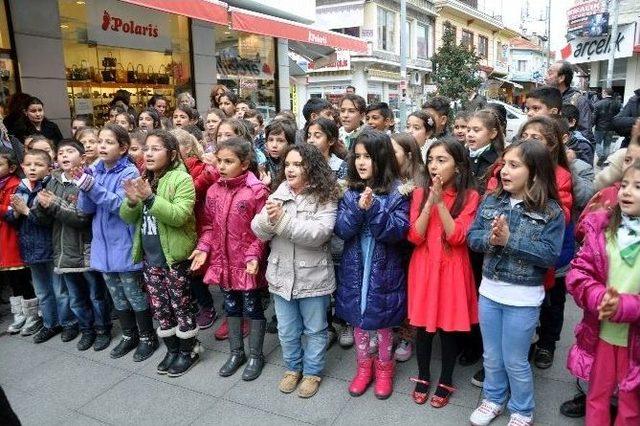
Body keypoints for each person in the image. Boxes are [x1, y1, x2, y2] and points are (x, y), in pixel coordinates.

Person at [468, 139, 565, 426]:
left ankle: (522, 409)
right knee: (492, 356)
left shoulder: (551, 211)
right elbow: (473, 237)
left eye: (514, 166)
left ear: (535, 172)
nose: (503, 172)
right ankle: (493, 399)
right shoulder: (491, 200)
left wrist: (510, 241)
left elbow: (549, 256)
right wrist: (491, 239)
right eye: (503, 165)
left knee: (515, 360)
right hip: (489, 292)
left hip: (523, 299)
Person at [251, 143, 338, 399]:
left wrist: (282, 221)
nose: (290, 169)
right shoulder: (278, 193)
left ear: (311, 166)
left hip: (314, 277)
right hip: (280, 276)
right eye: (288, 164)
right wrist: (270, 219)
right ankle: (292, 368)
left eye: (298, 164)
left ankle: (312, 372)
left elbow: (319, 234)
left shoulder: (325, 195)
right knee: (287, 330)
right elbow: (258, 229)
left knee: (315, 330)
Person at [335, 130, 410, 400]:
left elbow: (395, 232)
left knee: (382, 320)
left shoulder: (399, 192)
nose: (361, 162)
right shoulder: (347, 191)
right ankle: (363, 367)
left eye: (368, 156)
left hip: (384, 270)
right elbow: (341, 230)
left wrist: (374, 209)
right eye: (357, 156)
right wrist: (357, 208)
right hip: (356, 266)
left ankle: (384, 369)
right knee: (358, 318)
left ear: (382, 158)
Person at [120, 129, 199, 376]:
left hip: (174, 259)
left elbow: (179, 216)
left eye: (156, 149)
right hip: (150, 258)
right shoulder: (144, 177)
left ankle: (189, 349)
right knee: (161, 307)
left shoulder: (181, 179)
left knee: (181, 306)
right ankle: (172, 349)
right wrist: (132, 201)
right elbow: (128, 217)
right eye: (147, 149)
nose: (149, 153)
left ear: (172, 153)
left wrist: (151, 198)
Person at [566, 161, 640, 426]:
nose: (627, 192)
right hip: (602, 335)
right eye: (625, 184)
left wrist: (624, 307)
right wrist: (597, 297)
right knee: (596, 397)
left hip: (635, 342)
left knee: (631, 406)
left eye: (638, 186)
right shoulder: (602, 228)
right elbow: (579, 273)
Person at [75, 123, 156, 362]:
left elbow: (121, 208)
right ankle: (129, 335)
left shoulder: (128, 172)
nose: (102, 146)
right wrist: (84, 186)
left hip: (123, 242)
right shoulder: (94, 170)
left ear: (122, 148)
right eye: (100, 141)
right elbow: (85, 208)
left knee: (133, 293)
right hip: (103, 245)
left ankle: (146, 336)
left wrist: (93, 188)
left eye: (109, 142)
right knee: (117, 295)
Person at [408, 138, 479, 408]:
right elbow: (414, 236)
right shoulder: (418, 193)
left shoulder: (470, 197)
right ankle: (424, 375)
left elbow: (458, 236)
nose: (434, 166)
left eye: (442, 160)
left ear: (458, 166)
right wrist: (429, 202)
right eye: (431, 160)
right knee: (422, 329)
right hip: (424, 267)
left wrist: (439, 203)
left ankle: (446, 377)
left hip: (452, 269)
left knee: (448, 328)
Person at [190, 137, 269, 380]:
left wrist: (254, 254)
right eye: (219, 161)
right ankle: (236, 353)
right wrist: (204, 247)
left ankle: (256, 354)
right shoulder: (213, 190)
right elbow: (209, 226)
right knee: (231, 306)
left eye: (228, 161)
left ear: (244, 164)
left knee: (253, 307)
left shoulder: (257, 192)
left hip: (247, 263)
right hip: (223, 262)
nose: (222, 166)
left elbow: (263, 230)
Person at [34, 139, 112, 349]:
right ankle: (86, 330)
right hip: (63, 253)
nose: (64, 155)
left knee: (96, 295)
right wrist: (41, 207)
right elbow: (44, 219)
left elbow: (82, 217)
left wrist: (53, 204)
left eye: (70, 151)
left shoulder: (87, 180)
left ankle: (102, 329)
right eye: (61, 153)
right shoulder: (52, 181)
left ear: (83, 157)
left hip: (85, 250)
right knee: (76, 298)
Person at [7, 149, 54, 337]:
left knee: (58, 290)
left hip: (48, 247)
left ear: (49, 169)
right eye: (28, 165)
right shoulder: (21, 187)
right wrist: (15, 212)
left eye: (38, 165)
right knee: (42, 291)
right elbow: (12, 216)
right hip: (30, 248)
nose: (32, 168)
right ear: (22, 167)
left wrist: (25, 210)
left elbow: (46, 220)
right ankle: (49, 322)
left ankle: (65, 322)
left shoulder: (48, 187)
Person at [0, 148, 36, 335]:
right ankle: (19, 314)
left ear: (12, 167)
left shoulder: (14, 185)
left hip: (12, 238)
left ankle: (31, 315)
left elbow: (11, 212)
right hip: (2, 240)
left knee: (21, 278)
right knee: (12, 281)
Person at [545, 61, 593, 141]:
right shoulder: (545, 98)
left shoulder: (579, 101)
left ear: (561, 78)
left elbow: (586, 133)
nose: (545, 77)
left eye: (550, 74)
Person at [262, 119, 296, 187]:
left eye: (280, 141)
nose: (274, 145)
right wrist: (262, 185)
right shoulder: (262, 164)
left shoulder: (296, 164)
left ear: (290, 143)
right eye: (270, 140)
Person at [593, 88, 621, 166]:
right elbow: (619, 116)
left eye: (602, 92)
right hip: (611, 128)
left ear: (605, 93)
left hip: (600, 128)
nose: (602, 94)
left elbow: (594, 117)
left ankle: (602, 157)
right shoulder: (617, 104)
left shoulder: (598, 104)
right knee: (607, 145)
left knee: (597, 143)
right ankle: (605, 159)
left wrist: (592, 125)